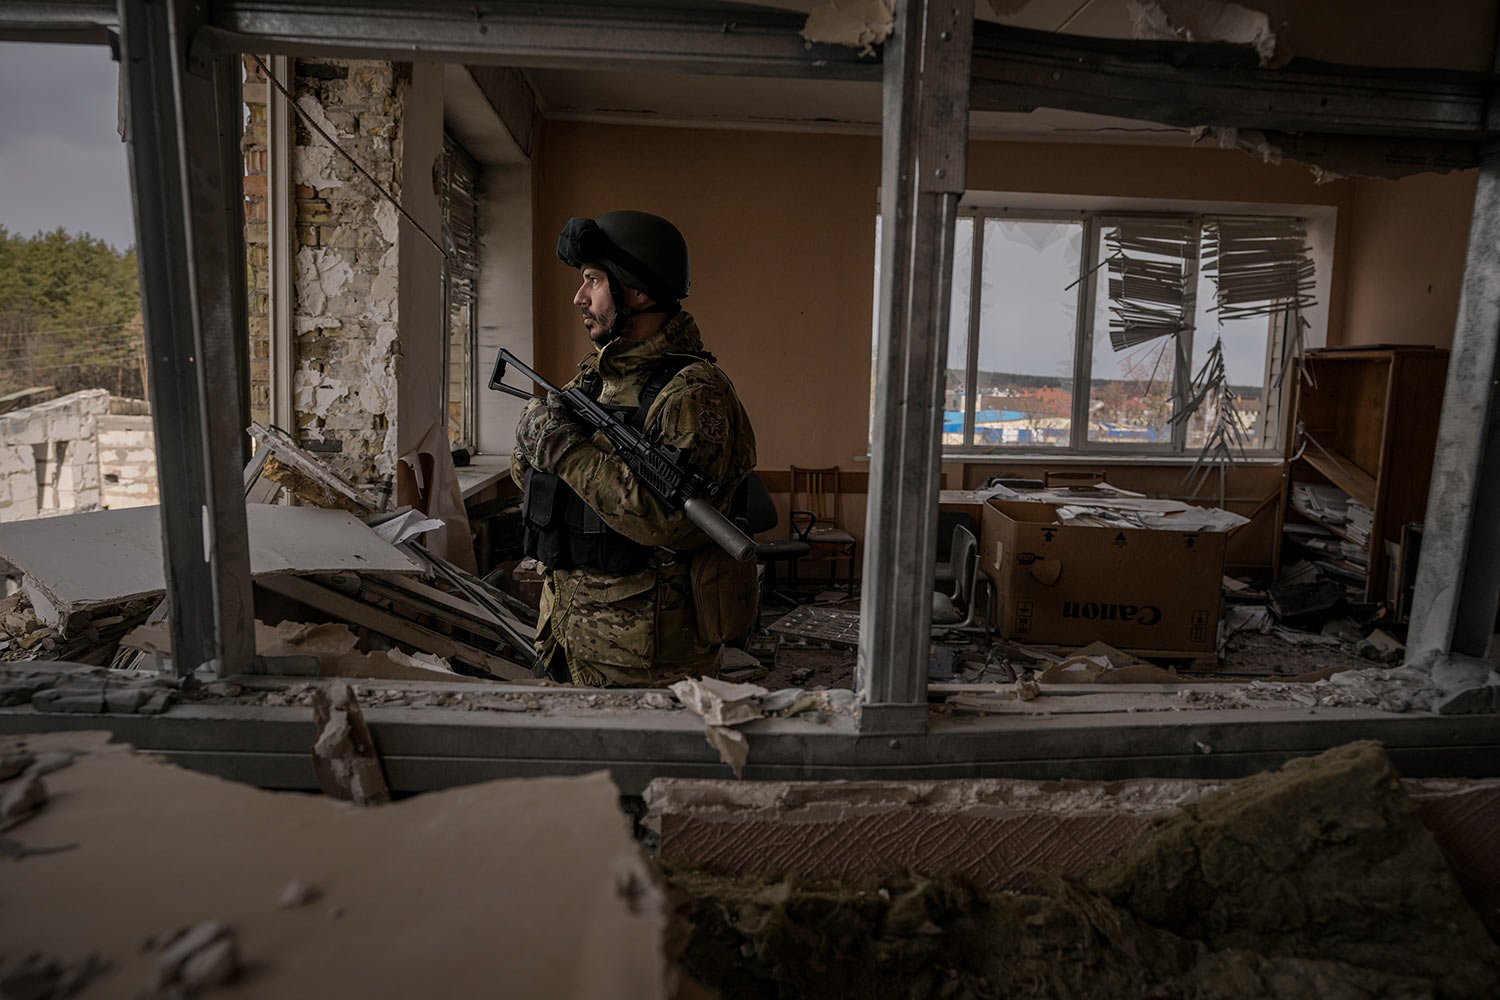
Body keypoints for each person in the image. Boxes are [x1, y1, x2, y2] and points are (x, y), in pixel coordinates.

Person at [510, 211, 757, 687]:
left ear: (638, 291)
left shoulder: (692, 394)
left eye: (593, 280)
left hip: (645, 657)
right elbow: (532, 481)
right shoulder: (594, 379)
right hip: (564, 631)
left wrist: (564, 450)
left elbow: (666, 522)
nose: (579, 297)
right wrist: (535, 442)